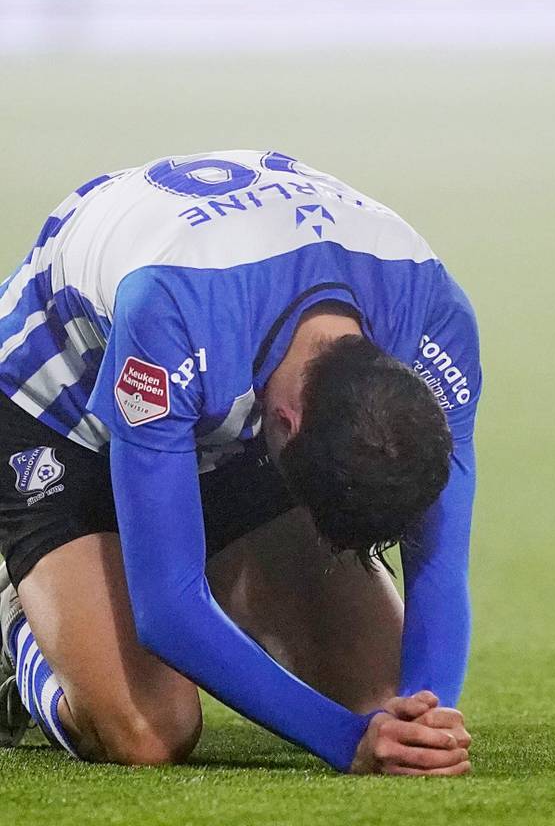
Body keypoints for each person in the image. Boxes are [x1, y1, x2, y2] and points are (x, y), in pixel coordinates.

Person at [0, 150, 479, 775]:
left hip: (222, 410)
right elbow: (167, 610)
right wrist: (346, 743)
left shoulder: (435, 318)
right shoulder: (170, 308)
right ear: (288, 424)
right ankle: (21, 615)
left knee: (378, 695)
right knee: (149, 733)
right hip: (55, 414)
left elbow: (440, 558)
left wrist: (423, 718)